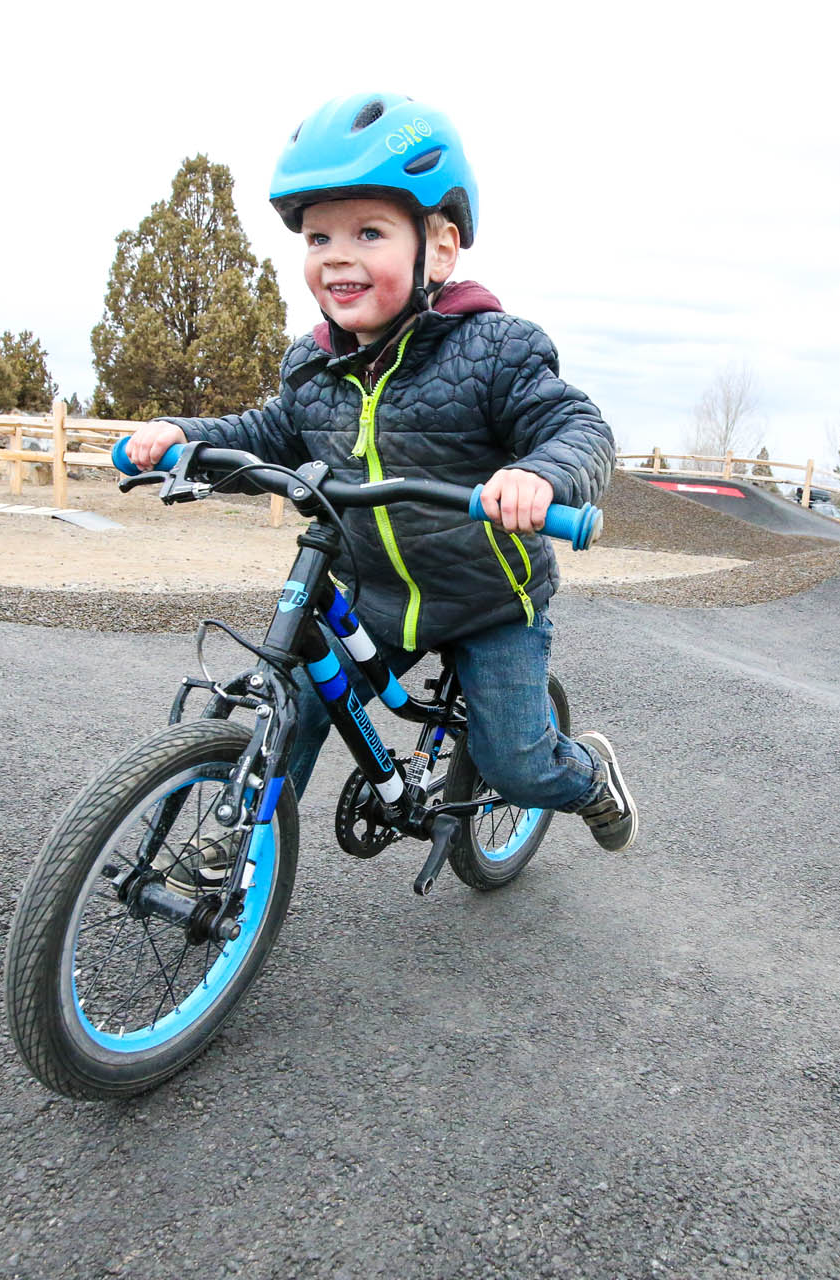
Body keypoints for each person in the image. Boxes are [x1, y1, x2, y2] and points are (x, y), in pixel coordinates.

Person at [125, 92, 636, 852]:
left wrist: (542, 478)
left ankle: (587, 777)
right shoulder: (312, 363)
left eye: (369, 232)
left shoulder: (497, 349)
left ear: (440, 247)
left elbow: (577, 427)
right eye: (318, 234)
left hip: (488, 599)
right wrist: (186, 438)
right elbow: (270, 432)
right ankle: (240, 851)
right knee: (292, 704)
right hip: (376, 598)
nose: (336, 254)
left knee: (516, 764)